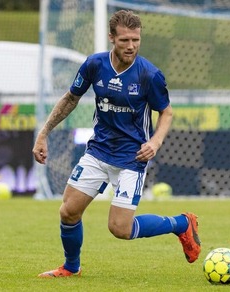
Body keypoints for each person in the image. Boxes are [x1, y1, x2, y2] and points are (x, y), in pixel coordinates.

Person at [32, 10, 201, 278]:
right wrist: (43, 133)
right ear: (112, 38)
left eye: (136, 39)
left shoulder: (149, 75)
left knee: (120, 229)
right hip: (98, 151)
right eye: (124, 40)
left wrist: (155, 142)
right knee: (68, 211)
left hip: (131, 159)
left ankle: (181, 224)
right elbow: (70, 99)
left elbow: (166, 113)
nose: (131, 46)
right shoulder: (94, 65)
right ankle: (71, 267)